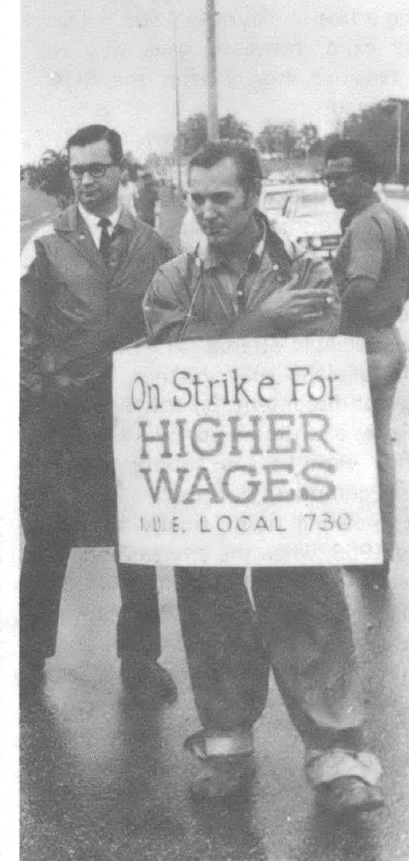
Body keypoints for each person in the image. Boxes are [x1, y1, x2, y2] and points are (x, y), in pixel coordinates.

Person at [141, 141, 384, 814]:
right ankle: (226, 743)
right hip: (208, 479)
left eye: (223, 198)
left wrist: (237, 333)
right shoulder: (174, 281)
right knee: (211, 603)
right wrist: (266, 321)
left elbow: (319, 349)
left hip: (285, 470)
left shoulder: (305, 267)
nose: (209, 212)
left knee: (309, 598)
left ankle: (338, 757)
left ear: (253, 195)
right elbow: (174, 370)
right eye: (198, 199)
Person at [19, 124, 177, 702]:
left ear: (119, 169)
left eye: (97, 168)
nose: (86, 179)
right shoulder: (44, 243)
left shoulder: (154, 245)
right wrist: (44, 392)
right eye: (77, 170)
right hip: (60, 419)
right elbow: (23, 331)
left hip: (129, 420)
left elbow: (172, 322)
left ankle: (140, 659)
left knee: (137, 539)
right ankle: (28, 654)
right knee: (45, 536)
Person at [323, 139, 409, 588]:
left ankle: (372, 551)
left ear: (367, 177)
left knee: (365, 453)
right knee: (375, 449)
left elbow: (359, 286)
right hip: (386, 339)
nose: (332, 184)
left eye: (342, 176)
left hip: (366, 343)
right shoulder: (390, 216)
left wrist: (326, 317)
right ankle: (376, 550)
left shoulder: (366, 224)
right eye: (328, 176)